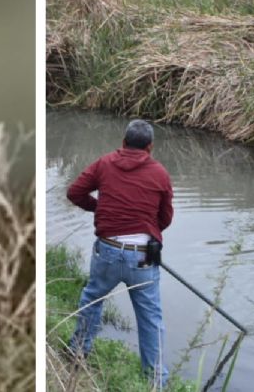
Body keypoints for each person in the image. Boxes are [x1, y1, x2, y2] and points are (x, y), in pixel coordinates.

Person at [66, 119, 174, 388]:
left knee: (92, 299)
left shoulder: (104, 163)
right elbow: (166, 218)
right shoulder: (160, 173)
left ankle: (77, 353)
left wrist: (101, 209)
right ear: (150, 146)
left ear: (124, 142)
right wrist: (145, 226)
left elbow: (74, 192)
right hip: (146, 251)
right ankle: (156, 382)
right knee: (151, 317)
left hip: (108, 249)